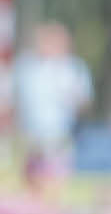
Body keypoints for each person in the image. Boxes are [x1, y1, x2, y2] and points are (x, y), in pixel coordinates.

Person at [13, 20, 94, 183]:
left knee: (55, 182)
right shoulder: (26, 66)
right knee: (33, 184)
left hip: (60, 136)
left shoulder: (73, 68)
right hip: (30, 137)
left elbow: (85, 101)